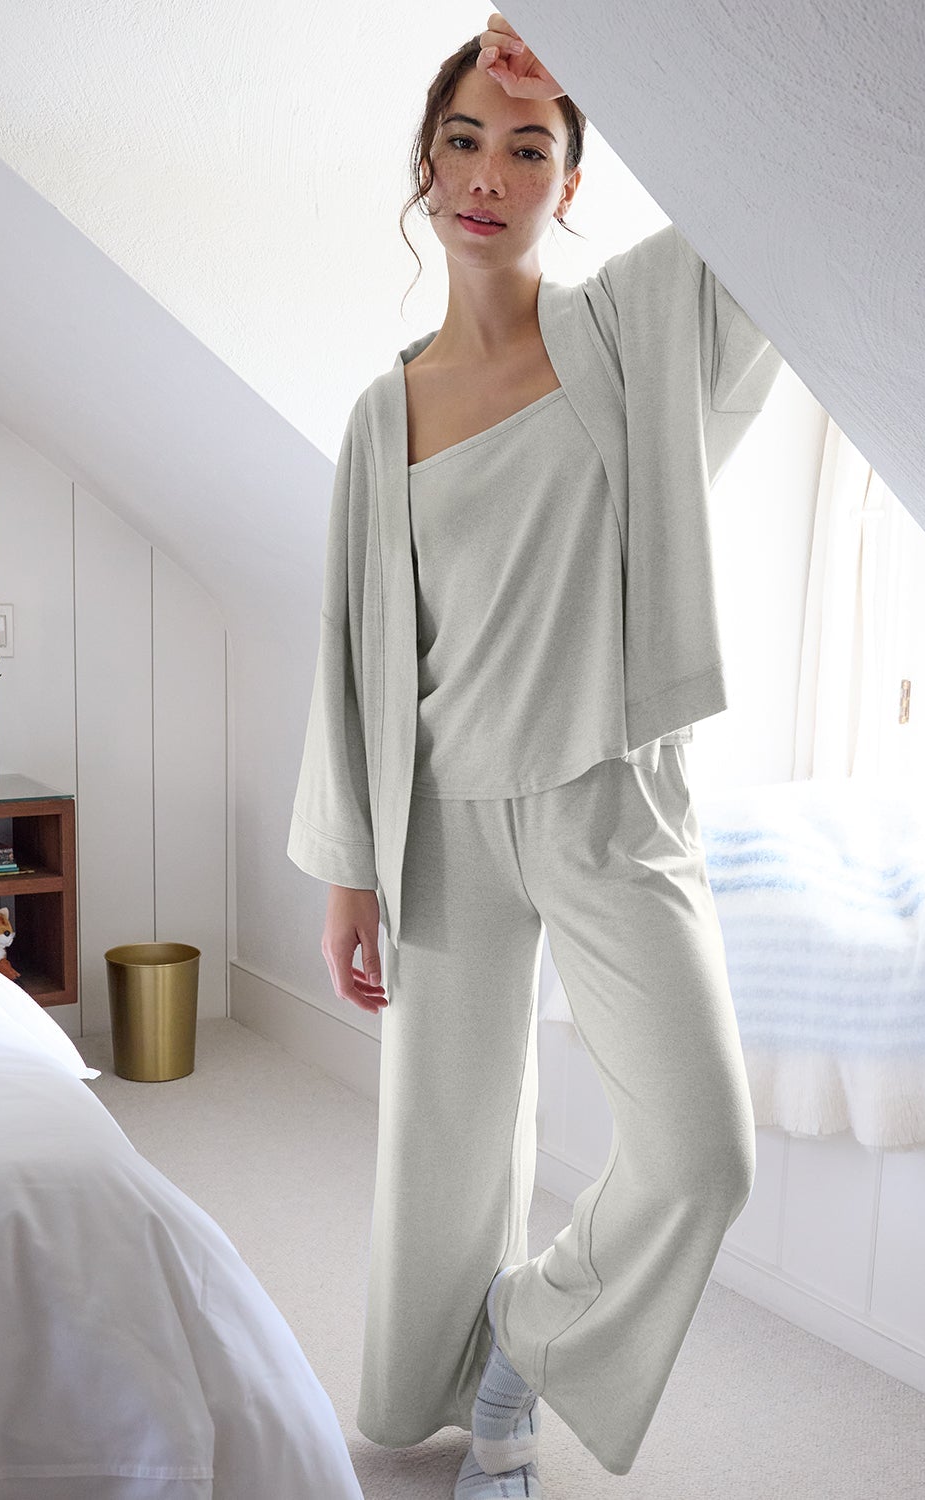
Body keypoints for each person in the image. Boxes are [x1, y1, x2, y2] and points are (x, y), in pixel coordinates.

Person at [287, 13, 783, 1496]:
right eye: (464, 141)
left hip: (608, 796)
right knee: (445, 1152)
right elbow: (353, 653)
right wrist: (351, 871)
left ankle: (528, 1332)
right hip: (443, 817)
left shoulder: (630, 327)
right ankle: (483, 1414)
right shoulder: (382, 418)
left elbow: (770, 187)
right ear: (427, 166)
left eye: (527, 148)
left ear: (569, 184)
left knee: (703, 1153)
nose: (489, 175)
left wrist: (596, 49)